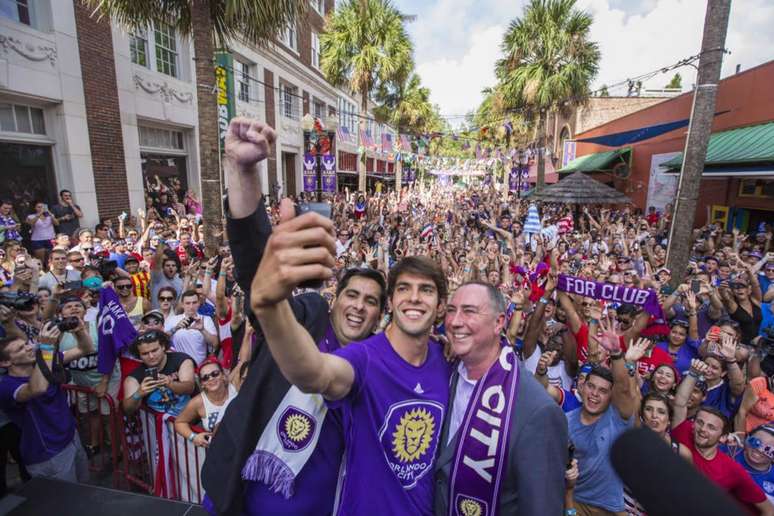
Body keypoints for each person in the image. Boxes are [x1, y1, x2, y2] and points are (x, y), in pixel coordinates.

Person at [250, 224, 450, 516]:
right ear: (392, 303)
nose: (415, 298)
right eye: (404, 288)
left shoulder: (447, 360)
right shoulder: (364, 358)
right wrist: (270, 305)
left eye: (426, 290)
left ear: (441, 306)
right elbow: (314, 372)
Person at [433, 281, 568, 515]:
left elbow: (541, 507)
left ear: (499, 323)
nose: (454, 322)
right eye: (451, 311)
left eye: (469, 311)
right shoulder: (443, 374)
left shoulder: (538, 410)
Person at [0, 322, 93, 482]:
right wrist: (47, 350)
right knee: (67, 503)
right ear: (6, 363)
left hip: (71, 437)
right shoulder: (6, 385)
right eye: (21, 349)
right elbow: (37, 388)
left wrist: (80, 331)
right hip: (49, 453)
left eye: (27, 344)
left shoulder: (43, 360)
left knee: (86, 488)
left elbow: (84, 349)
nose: (29, 348)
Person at [565, 316, 638, 516]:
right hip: (573, 503)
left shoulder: (618, 418)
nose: (595, 394)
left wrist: (616, 354)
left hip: (609, 509)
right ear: (581, 386)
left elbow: (623, 389)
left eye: (603, 391)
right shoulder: (566, 421)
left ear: (610, 396)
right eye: (591, 386)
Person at [121, 330, 195, 417]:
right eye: (145, 354)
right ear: (139, 355)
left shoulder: (181, 360)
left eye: (154, 350)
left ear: (163, 346)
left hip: (190, 417)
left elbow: (190, 388)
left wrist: (170, 384)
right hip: (159, 425)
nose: (151, 356)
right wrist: (139, 393)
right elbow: (127, 410)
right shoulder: (134, 378)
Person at [174, 357, 238, 447]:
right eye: (205, 377)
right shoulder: (198, 402)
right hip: (220, 450)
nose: (211, 378)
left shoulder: (236, 386)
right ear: (202, 384)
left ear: (223, 375)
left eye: (215, 374)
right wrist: (193, 437)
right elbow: (179, 422)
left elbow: (243, 360)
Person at [164, 290, 217, 365]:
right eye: (188, 303)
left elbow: (215, 343)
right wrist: (175, 329)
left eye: (194, 303)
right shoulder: (173, 320)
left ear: (199, 303)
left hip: (200, 367)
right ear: (182, 304)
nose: (191, 306)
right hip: (179, 366)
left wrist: (202, 330)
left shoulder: (206, 319)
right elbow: (162, 340)